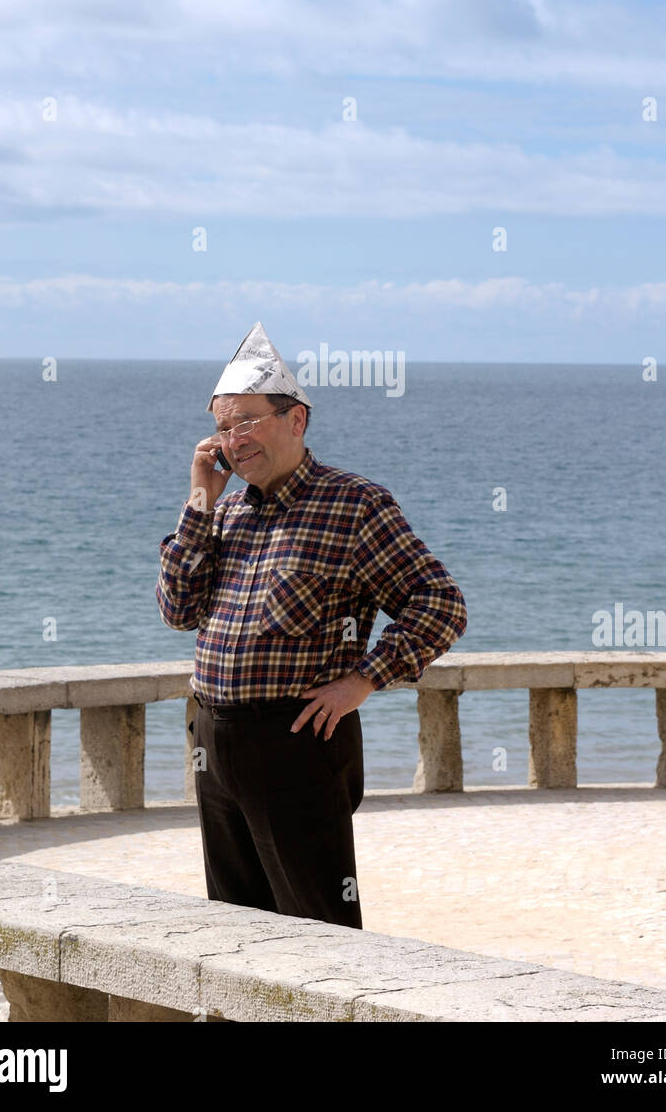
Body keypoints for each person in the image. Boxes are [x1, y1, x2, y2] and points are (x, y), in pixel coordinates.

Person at [156, 321, 467, 928]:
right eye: (223, 426)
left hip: (296, 744)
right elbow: (177, 610)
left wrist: (362, 683)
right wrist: (200, 500)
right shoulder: (224, 511)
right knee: (235, 930)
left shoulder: (355, 505)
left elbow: (440, 604)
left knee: (319, 927)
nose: (233, 439)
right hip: (212, 742)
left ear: (295, 419)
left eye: (247, 421)